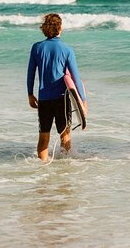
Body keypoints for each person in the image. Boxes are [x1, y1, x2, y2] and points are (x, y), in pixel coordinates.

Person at [27, 13, 87, 162]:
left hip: (44, 99)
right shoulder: (67, 50)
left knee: (43, 138)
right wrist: (83, 101)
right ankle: (65, 175)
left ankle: (42, 172)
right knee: (65, 137)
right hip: (62, 99)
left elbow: (30, 73)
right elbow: (75, 77)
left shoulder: (37, 48)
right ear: (60, 28)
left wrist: (30, 94)